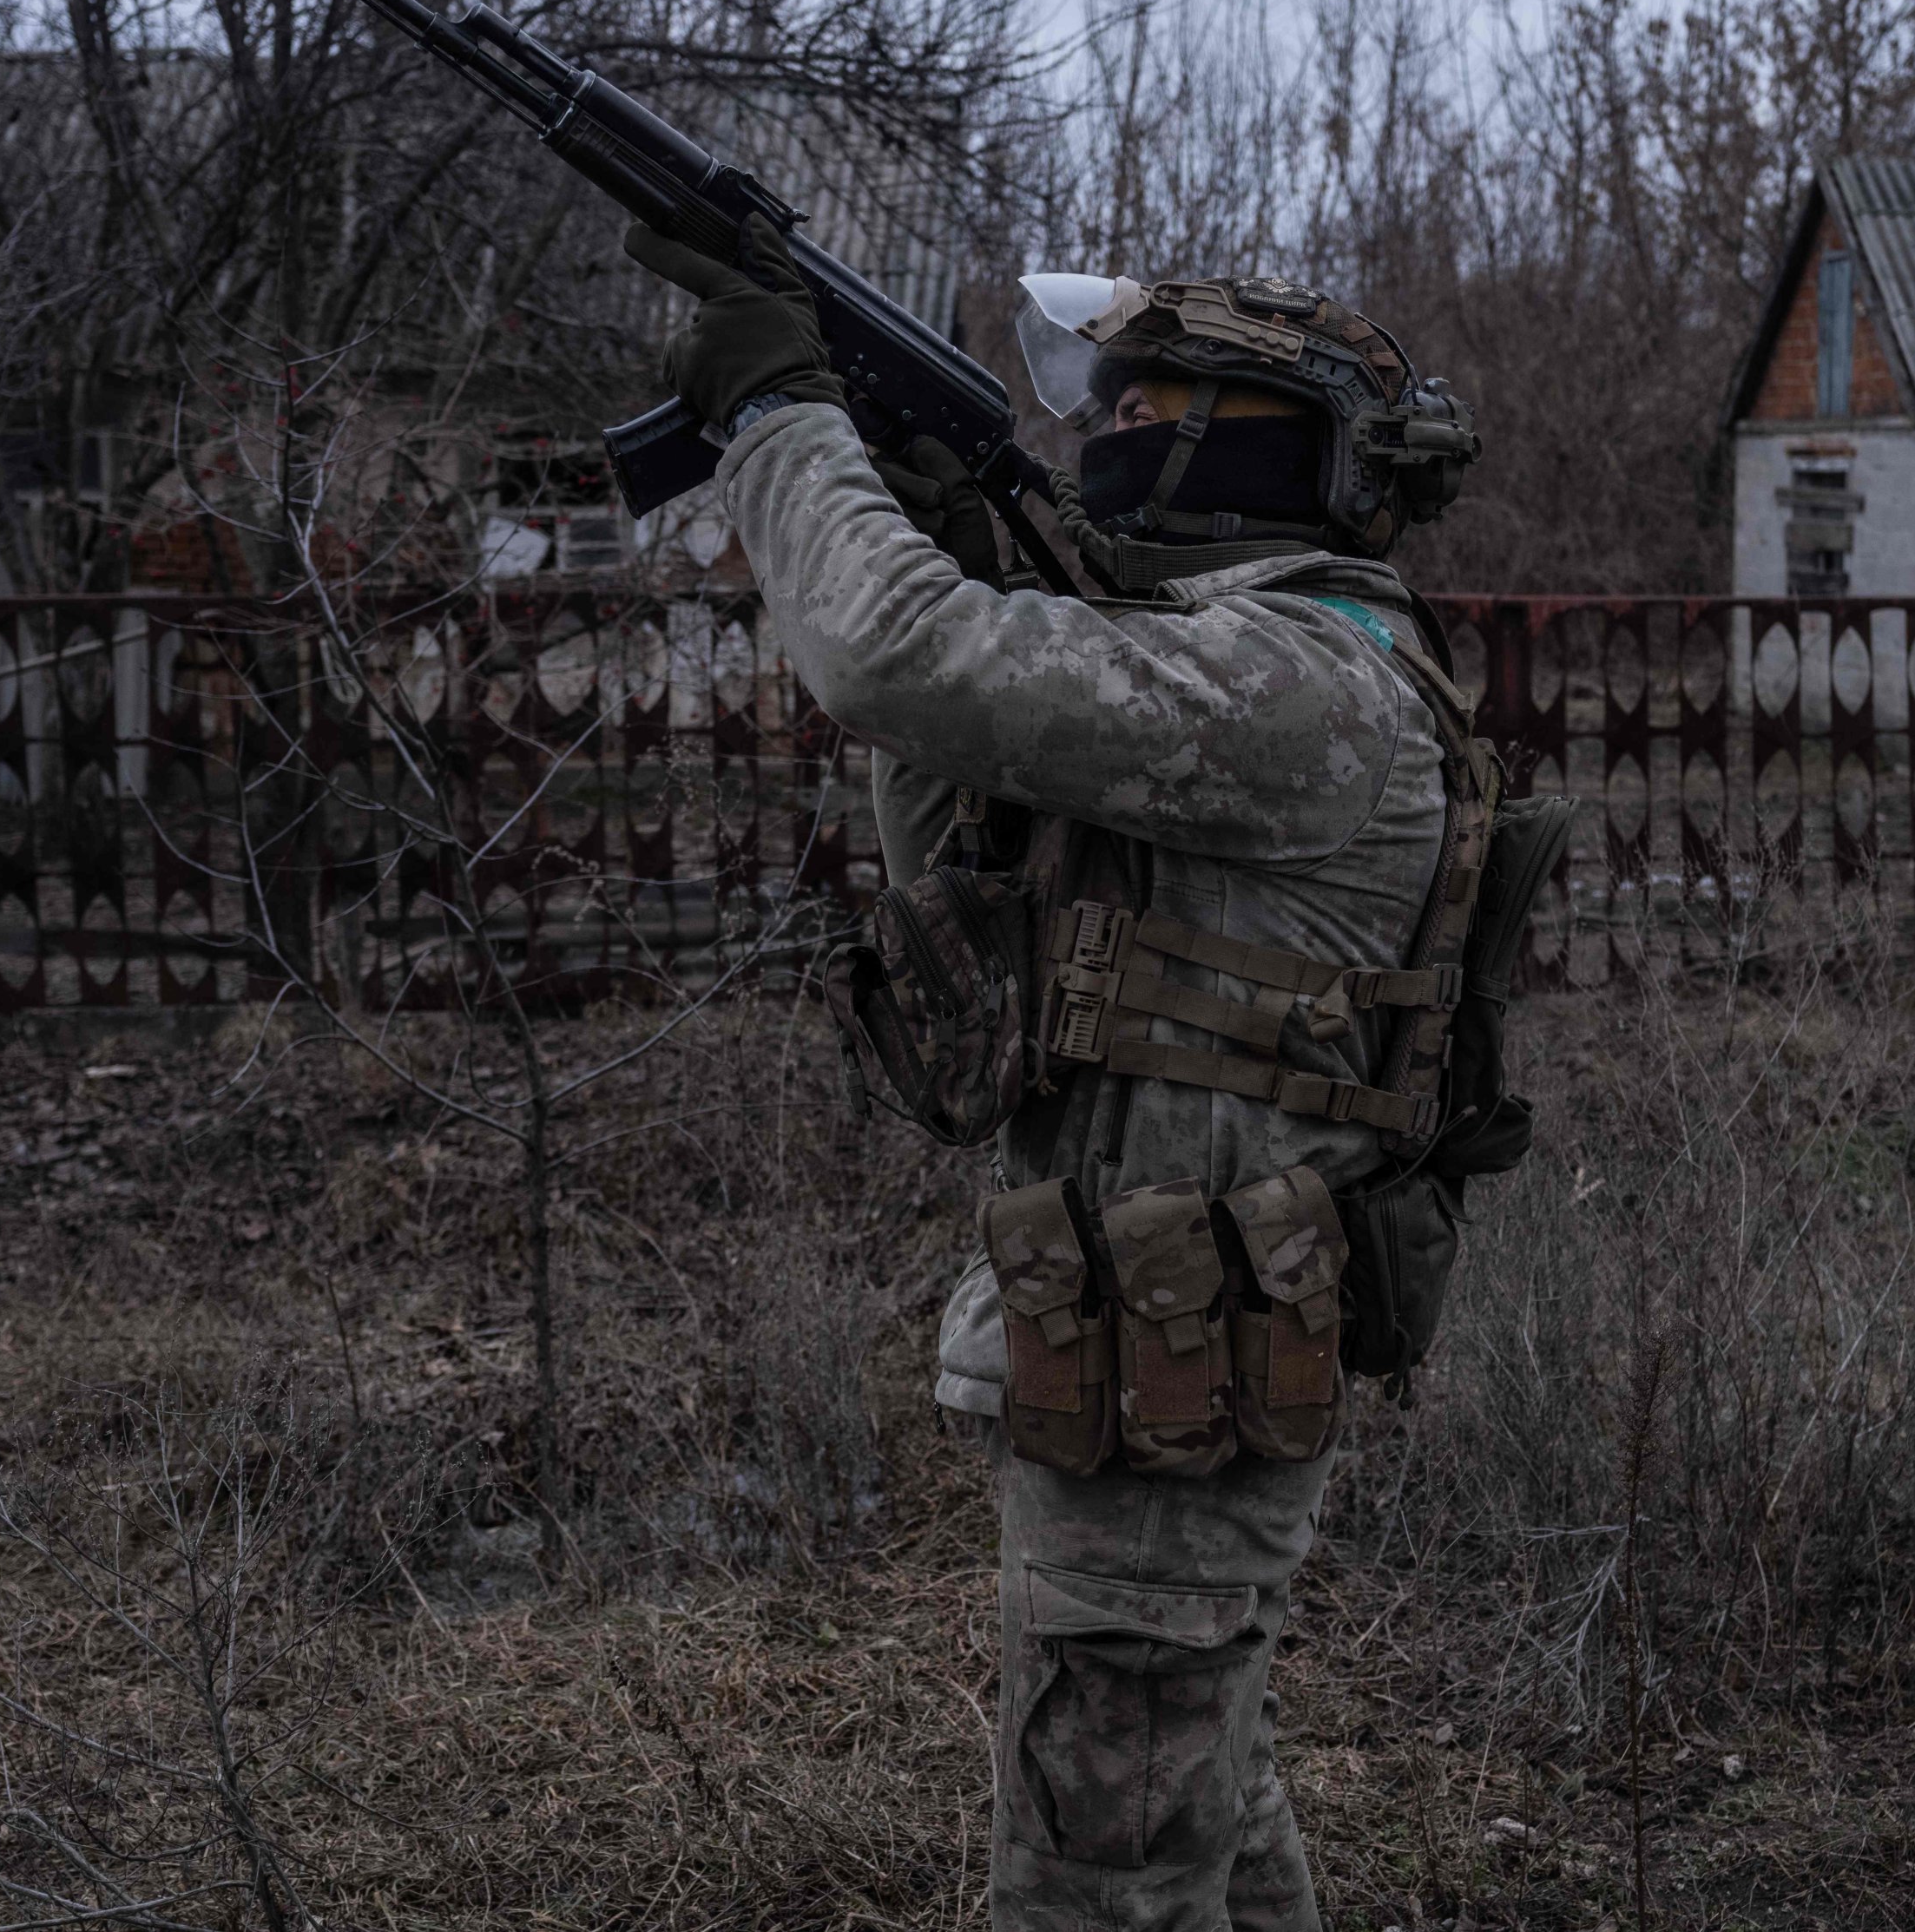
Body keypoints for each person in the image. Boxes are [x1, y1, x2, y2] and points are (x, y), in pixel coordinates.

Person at [625, 220, 1491, 1932]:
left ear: (1251, 438)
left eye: (1143, 397)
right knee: (1191, 1812)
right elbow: (955, 809)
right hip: (1149, 1342)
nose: (1099, 433)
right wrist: (961, 538)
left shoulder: (1294, 680)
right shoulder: (1231, 663)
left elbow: (891, 655)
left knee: (1103, 1859)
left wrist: (785, 419)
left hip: (1183, 1353)